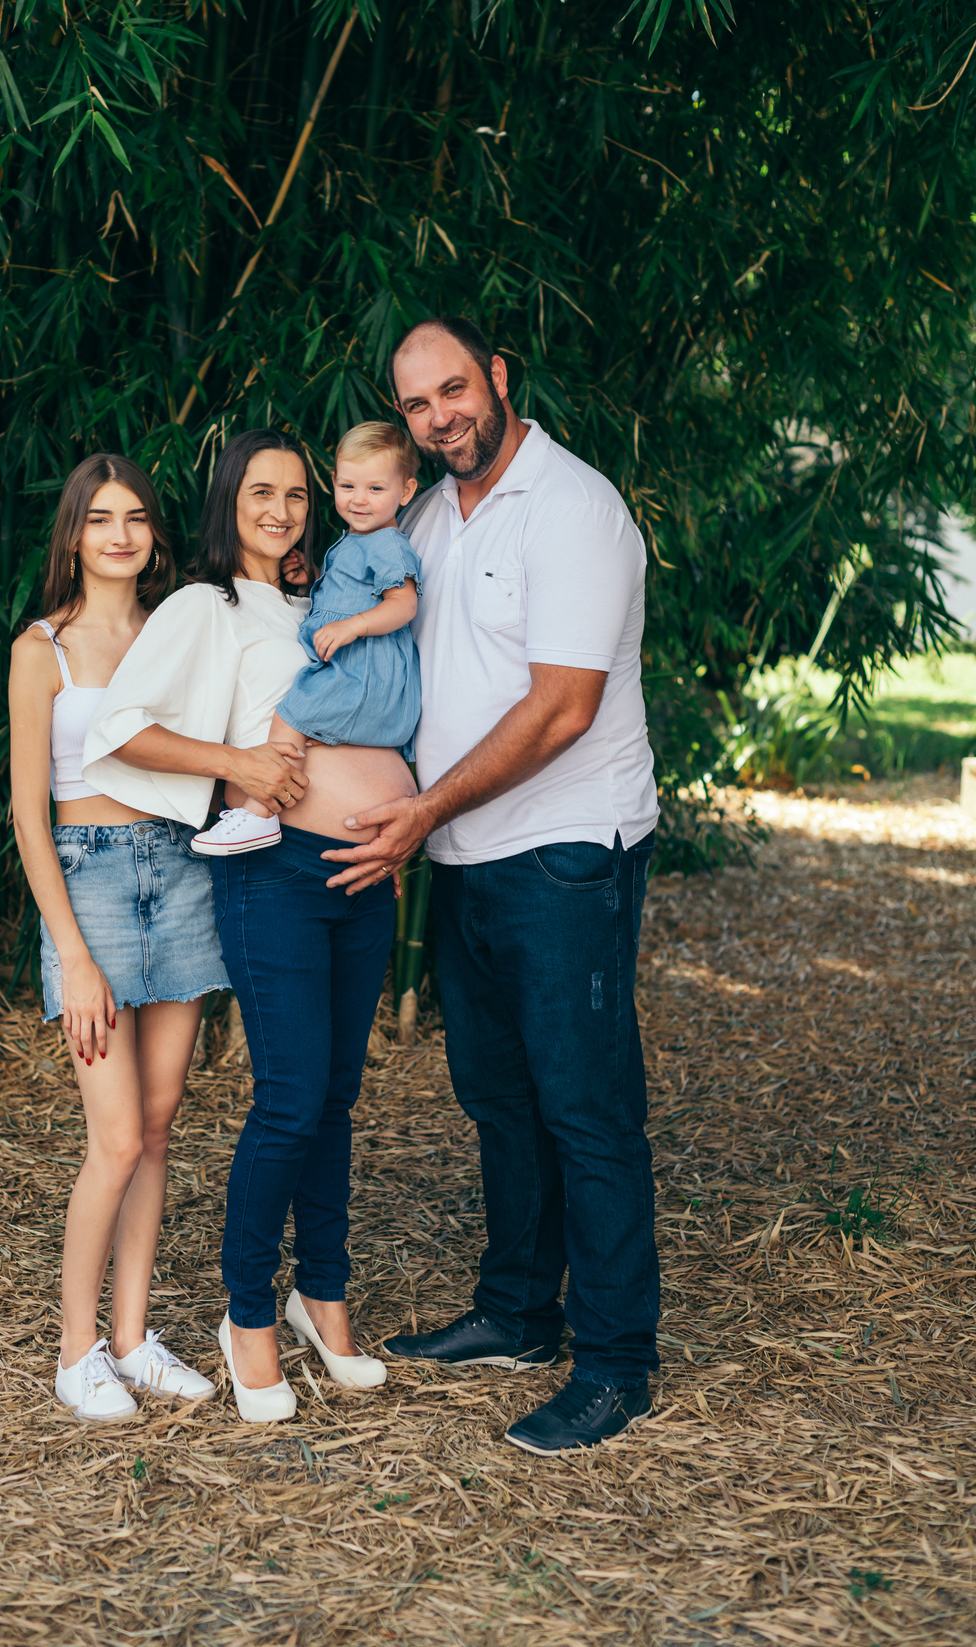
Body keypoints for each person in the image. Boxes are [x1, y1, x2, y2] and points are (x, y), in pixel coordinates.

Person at [323, 317, 661, 1456]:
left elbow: (564, 707)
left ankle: (615, 1362)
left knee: (585, 1103)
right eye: (417, 405)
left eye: (453, 390)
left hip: (567, 849)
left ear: (499, 379)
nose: (439, 417)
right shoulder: (426, 513)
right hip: (467, 851)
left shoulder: (575, 509)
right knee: (501, 1097)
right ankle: (520, 1313)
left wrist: (419, 811)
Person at [83, 429, 414, 1422]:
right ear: (230, 500)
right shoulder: (205, 605)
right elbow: (120, 728)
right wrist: (235, 767)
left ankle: (323, 1293)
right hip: (274, 873)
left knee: (339, 1095)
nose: (282, 510)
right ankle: (246, 1318)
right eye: (262, 492)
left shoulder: (325, 597)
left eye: (298, 495)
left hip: (364, 873)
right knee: (291, 1095)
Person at [9, 453, 225, 1423]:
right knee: (115, 1135)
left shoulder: (174, 632)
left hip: (179, 870)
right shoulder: (41, 649)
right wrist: (74, 951)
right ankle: (74, 1349)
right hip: (88, 882)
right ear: (75, 534)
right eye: (101, 518)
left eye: (135, 517)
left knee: (161, 1119)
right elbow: (26, 811)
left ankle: (134, 1338)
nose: (121, 534)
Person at [190, 421, 422, 855]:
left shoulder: (388, 543)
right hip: (304, 860)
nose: (359, 499)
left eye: (376, 489)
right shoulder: (353, 542)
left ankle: (260, 812)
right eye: (349, 486)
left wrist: (352, 626)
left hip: (364, 668)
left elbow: (403, 604)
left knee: (294, 709)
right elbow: (353, 593)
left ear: (406, 492)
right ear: (333, 483)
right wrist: (315, 578)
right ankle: (258, 808)